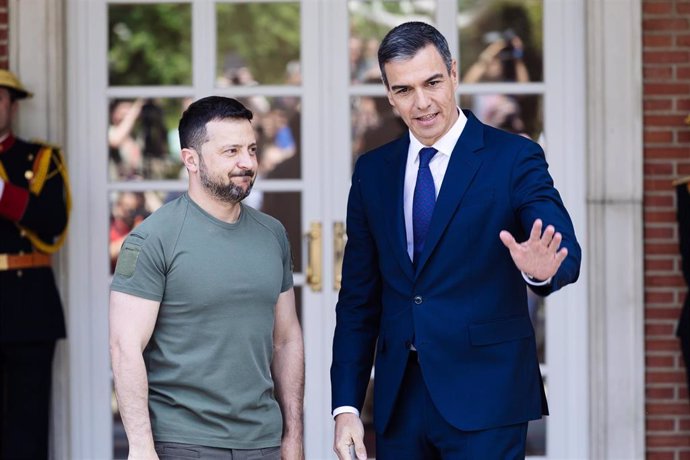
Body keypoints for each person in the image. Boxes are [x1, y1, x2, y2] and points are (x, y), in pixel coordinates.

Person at [331, 22, 581, 459]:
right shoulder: (373, 172)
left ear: (453, 73)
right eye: (404, 90)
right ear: (389, 95)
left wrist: (540, 268)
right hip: (399, 402)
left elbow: (563, 250)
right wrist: (347, 406)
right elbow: (358, 299)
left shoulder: (513, 157)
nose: (422, 102)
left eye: (432, 83)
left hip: (487, 396)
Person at [109, 96, 304, 460]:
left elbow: (287, 338)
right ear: (191, 160)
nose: (247, 162)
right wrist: (140, 446)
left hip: (262, 441)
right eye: (231, 151)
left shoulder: (273, 234)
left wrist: (293, 435)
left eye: (251, 149)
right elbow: (125, 347)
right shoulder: (152, 238)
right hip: (183, 443)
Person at [0, 70, 70, 458]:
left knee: (28, 425)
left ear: (12, 105)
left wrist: (3, 193)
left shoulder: (40, 158)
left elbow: (52, 221)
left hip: (28, 303)